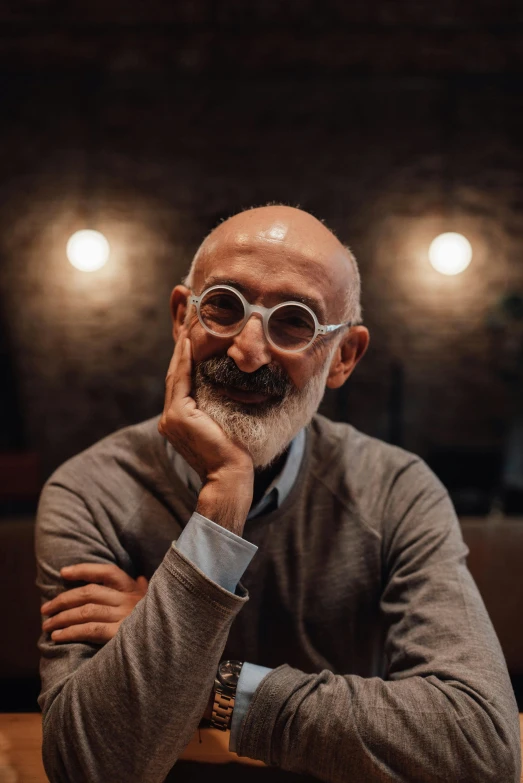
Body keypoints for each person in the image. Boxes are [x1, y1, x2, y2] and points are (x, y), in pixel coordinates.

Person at [36, 205, 521, 783]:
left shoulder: (396, 490)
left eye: (294, 321)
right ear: (180, 317)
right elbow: (88, 766)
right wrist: (223, 499)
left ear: (343, 357)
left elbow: (481, 746)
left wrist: (213, 678)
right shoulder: (89, 491)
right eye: (223, 305)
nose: (247, 350)